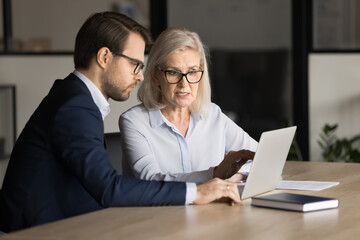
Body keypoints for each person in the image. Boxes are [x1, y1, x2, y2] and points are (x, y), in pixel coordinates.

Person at [0, 12, 242, 233]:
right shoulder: (75, 107)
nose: (139, 75)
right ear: (105, 57)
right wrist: (197, 192)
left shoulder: (73, 97)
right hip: (33, 231)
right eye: (134, 64)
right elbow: (108, 189)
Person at [119, 28, 258, 184]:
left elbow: (260, 157)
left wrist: (235, 176)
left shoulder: (212, 114)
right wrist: (216, 175)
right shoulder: (134, 121)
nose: (184, 84)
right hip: (159, 209)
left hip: (211, 208)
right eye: (173, 72)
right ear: (156, 76)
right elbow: (152, 180)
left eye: (192, 72)